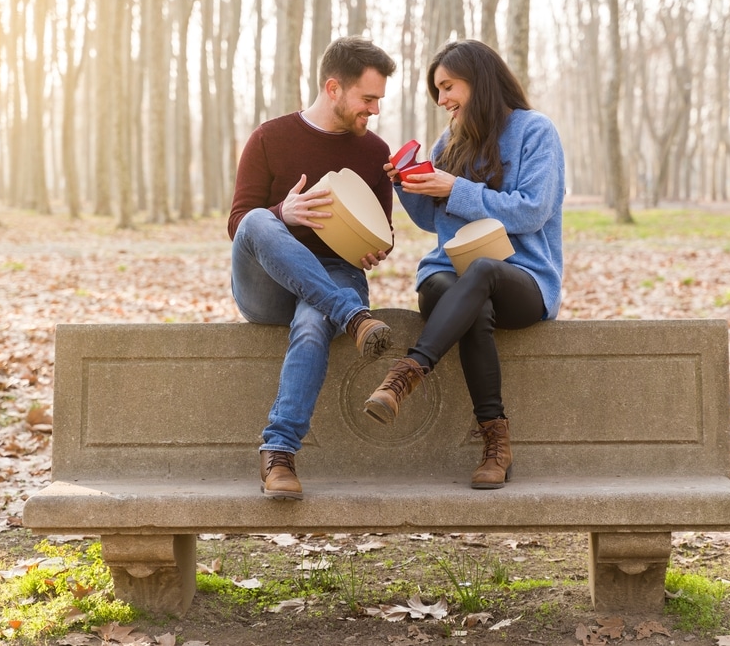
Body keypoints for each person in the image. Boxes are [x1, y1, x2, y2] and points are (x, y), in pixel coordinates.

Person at [364, 39, 565, 490]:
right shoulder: (449, 140)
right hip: (452, 274)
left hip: (523, 278)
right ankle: (496, 442)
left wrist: (454, 187)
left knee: (482, 274)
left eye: (449, 86)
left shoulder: (536, 131)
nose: (443, 101)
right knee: (457, 291)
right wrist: (407, 185)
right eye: (438, 91)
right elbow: (435, 221)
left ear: (481, 80)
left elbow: (533, 210)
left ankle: (405, 375)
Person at [229, 36, 397, 500]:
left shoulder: (373, 150)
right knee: (262, 219)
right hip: (266, 283)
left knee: (310, 324)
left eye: (378, 100)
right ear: (333, 88)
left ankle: (278, 453)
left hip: (335, 274)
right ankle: (353, 316)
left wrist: (376, 247)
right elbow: (238, 223)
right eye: (368, 99)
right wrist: (287, 213)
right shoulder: (269, 137)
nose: (375, 109)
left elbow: (384, 230)